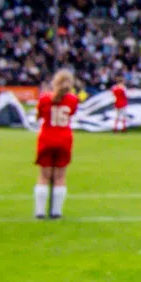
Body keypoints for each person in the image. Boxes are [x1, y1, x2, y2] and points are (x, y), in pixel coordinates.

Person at [33, 69, 84, 220]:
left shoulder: (45, 98)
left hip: (47, 138)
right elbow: (72, 113)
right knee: (60, 176)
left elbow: (38, 115)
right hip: (64, 139)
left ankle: (40, 212)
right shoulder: (73, 99)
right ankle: (56, 212)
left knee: (44, 176)